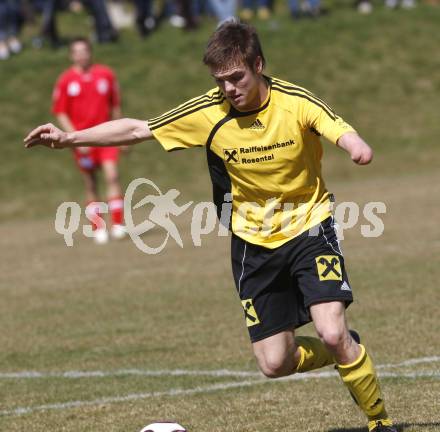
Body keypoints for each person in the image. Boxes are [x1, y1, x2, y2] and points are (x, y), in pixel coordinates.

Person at [25, 21, 396, 431]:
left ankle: (379, 419)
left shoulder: (294, 101)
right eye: (220, 81)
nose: (229, 89)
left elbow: (338, 128)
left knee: (330, 329)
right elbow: (137, 128)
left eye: (237, 77)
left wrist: (354, 144)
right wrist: (69, 138)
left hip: (310, 227)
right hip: (252, 242)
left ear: (258, 65)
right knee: (275, 363)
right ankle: (341, 349)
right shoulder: (210, 111)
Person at [51, 37, 126, 243]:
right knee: (91, 184)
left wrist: (122, 134)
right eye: (77, 51)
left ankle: (118, 225)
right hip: (82, 141)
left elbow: (115, 106)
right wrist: (73, 138)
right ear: (71, 55)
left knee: (112, 176)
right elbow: (60, 112)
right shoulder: (66, 80)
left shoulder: (106, 74)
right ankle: (98, 228)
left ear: (90, 52)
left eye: (85, 50)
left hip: (106, 136)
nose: (82, 55)